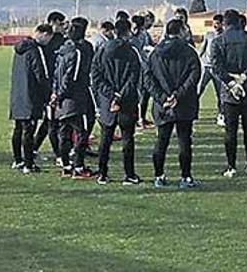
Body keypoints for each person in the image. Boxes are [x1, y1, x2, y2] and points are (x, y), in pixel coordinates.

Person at [145, 19, 203, 189]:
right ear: (180, 31)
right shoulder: (189, 51)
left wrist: (162, 97)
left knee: (161, 140)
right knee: (184, 141)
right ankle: (185, 177)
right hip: (183, 103)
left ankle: (159, 175)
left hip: (163, 104)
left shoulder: (155, 53)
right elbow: (194, 76)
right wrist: (177, 95)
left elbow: (148, 78)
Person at [212, 10, 247, 177]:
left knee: (231, 130)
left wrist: (230, 81)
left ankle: (231, 166)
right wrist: (246, 74)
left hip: (229, 92)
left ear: (225, 23)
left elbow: (216, 66)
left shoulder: (218, 41)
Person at [91, 18, 142, 185]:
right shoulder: (132, 52)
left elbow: (96, 77)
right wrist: (120, 96)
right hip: (127, 101)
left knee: (106, 137)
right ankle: (129, 174)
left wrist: (110, 95)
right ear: (128, 32)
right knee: (128, 138)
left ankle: (102, 173)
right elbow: (133, 78)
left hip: (107, 102)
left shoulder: (102, 51)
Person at [53, 17, 96, 179]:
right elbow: (72, 77)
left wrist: (55, 93)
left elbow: (57, 73)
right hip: (76, 99)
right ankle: (78, 167)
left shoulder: (63, 48)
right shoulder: (78, 51)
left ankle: (66, 166)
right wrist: (61, 92)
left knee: (64, 132)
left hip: (62, 99)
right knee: (82, 132)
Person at [9, 24, 53, 174]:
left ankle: (17, 160)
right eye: (48, 38)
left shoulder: (19, 50)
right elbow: (40, 75)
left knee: (18, 128)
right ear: (44, 34)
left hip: (18, 95)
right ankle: (28, 164)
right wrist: (48, 95)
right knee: (29, 130)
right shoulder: (35, 50)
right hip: (31, 96)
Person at [33, 11, 68, 165]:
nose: (63, 27)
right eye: (61, 23)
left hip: (53, 84)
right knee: (53, 121)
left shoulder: (58, 40)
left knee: (49, 120)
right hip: (51, 85)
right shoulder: (49, 42)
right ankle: (59, 155)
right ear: (53, 23)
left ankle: (33, 148)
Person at [198, 14, 225, 126]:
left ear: (222, 23)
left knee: (220, 93)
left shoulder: (224, 35)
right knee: (198, 91)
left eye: (217, 23)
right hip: (206, 67)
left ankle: (221, 115)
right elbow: (202, 49)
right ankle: (193, 112)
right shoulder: (208, 34)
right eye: (214, 23)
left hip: (217, 69)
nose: (215, 25)